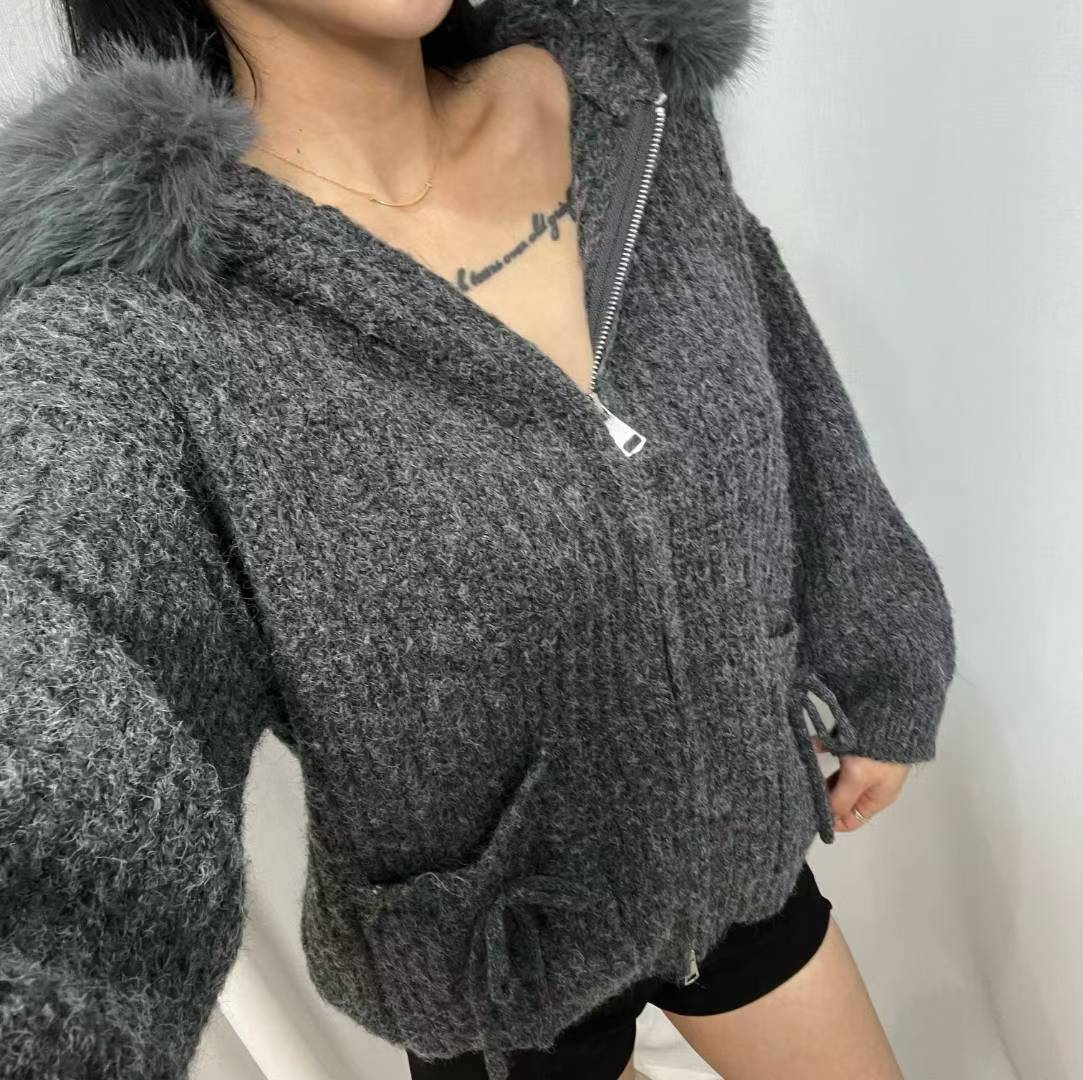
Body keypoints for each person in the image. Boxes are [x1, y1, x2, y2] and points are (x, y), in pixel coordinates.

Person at [0, 1, 957, 1078]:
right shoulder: (135, 325)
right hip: (497, 965)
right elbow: (56, 688)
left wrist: (881, 648)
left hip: (743, 850)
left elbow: (783, 379)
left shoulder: (630, 102)